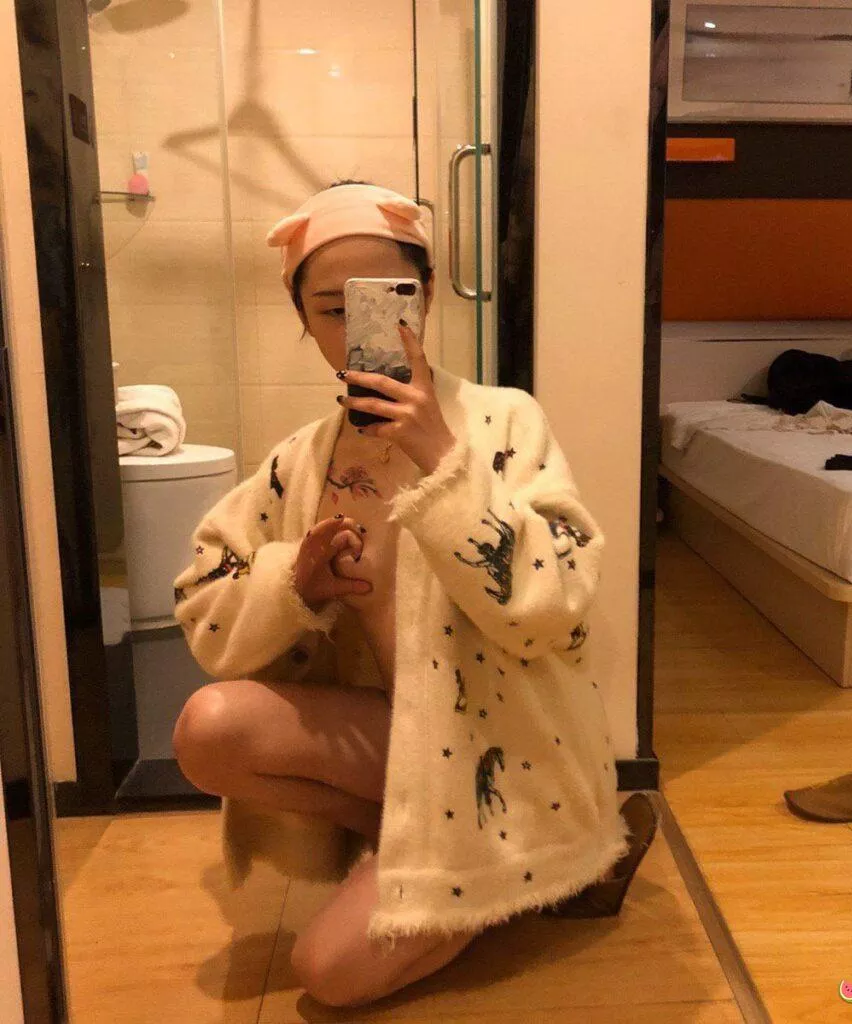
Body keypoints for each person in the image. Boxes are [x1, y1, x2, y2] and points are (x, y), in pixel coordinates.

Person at [170, 180, 657, 1008]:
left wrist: (440, 455)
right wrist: (295, 583)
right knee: (208, 731)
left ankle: (531, 864)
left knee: (328, 974)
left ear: (428, 296)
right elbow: (206, 596)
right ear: (302, 317)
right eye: (332, 309)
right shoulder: (303, 459)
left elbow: (555, 602)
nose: (360, 328)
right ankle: (417, 845)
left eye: (389, 298)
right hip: (394, 743)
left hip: (504, 758)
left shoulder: (504, 421)